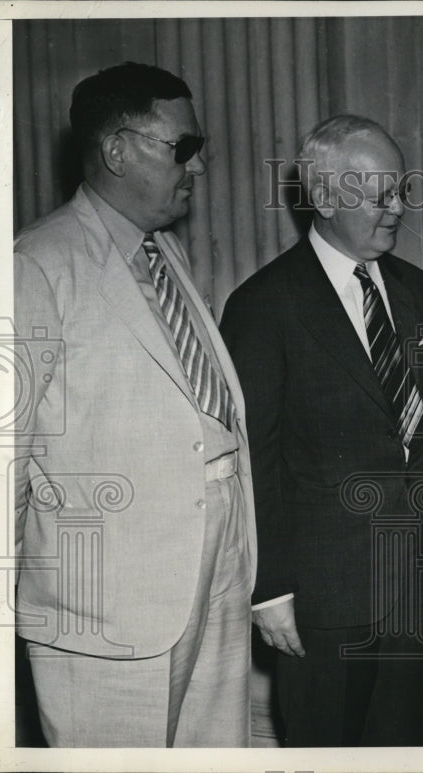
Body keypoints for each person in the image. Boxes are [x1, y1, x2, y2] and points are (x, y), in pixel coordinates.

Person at [14, 62, 257, 747]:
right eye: (182, 147)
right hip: (109, 606)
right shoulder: (35, 264)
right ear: (117, 150)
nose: (199, 165)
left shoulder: (166, 252)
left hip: (216, 566)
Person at [220, 115, 423, 747]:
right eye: (380, 193)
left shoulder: (414, 288)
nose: (397, 208)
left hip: (412, 577)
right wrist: (268, 589)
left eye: (401, 190)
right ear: (325, 197)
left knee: (404, 747)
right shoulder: (264, 305)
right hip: (322, 597)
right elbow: (255, 458)